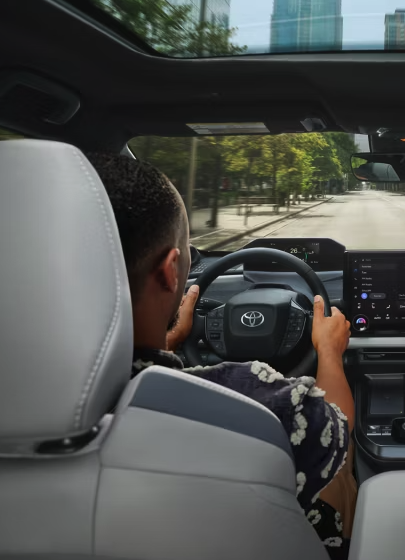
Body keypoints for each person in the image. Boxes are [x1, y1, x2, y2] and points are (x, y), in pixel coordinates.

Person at [87, 153, 356, 559]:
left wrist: (164, 347)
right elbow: (338, 426)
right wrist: (329, 352)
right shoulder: (265, 399)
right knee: (338, 473)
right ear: (170, 271)